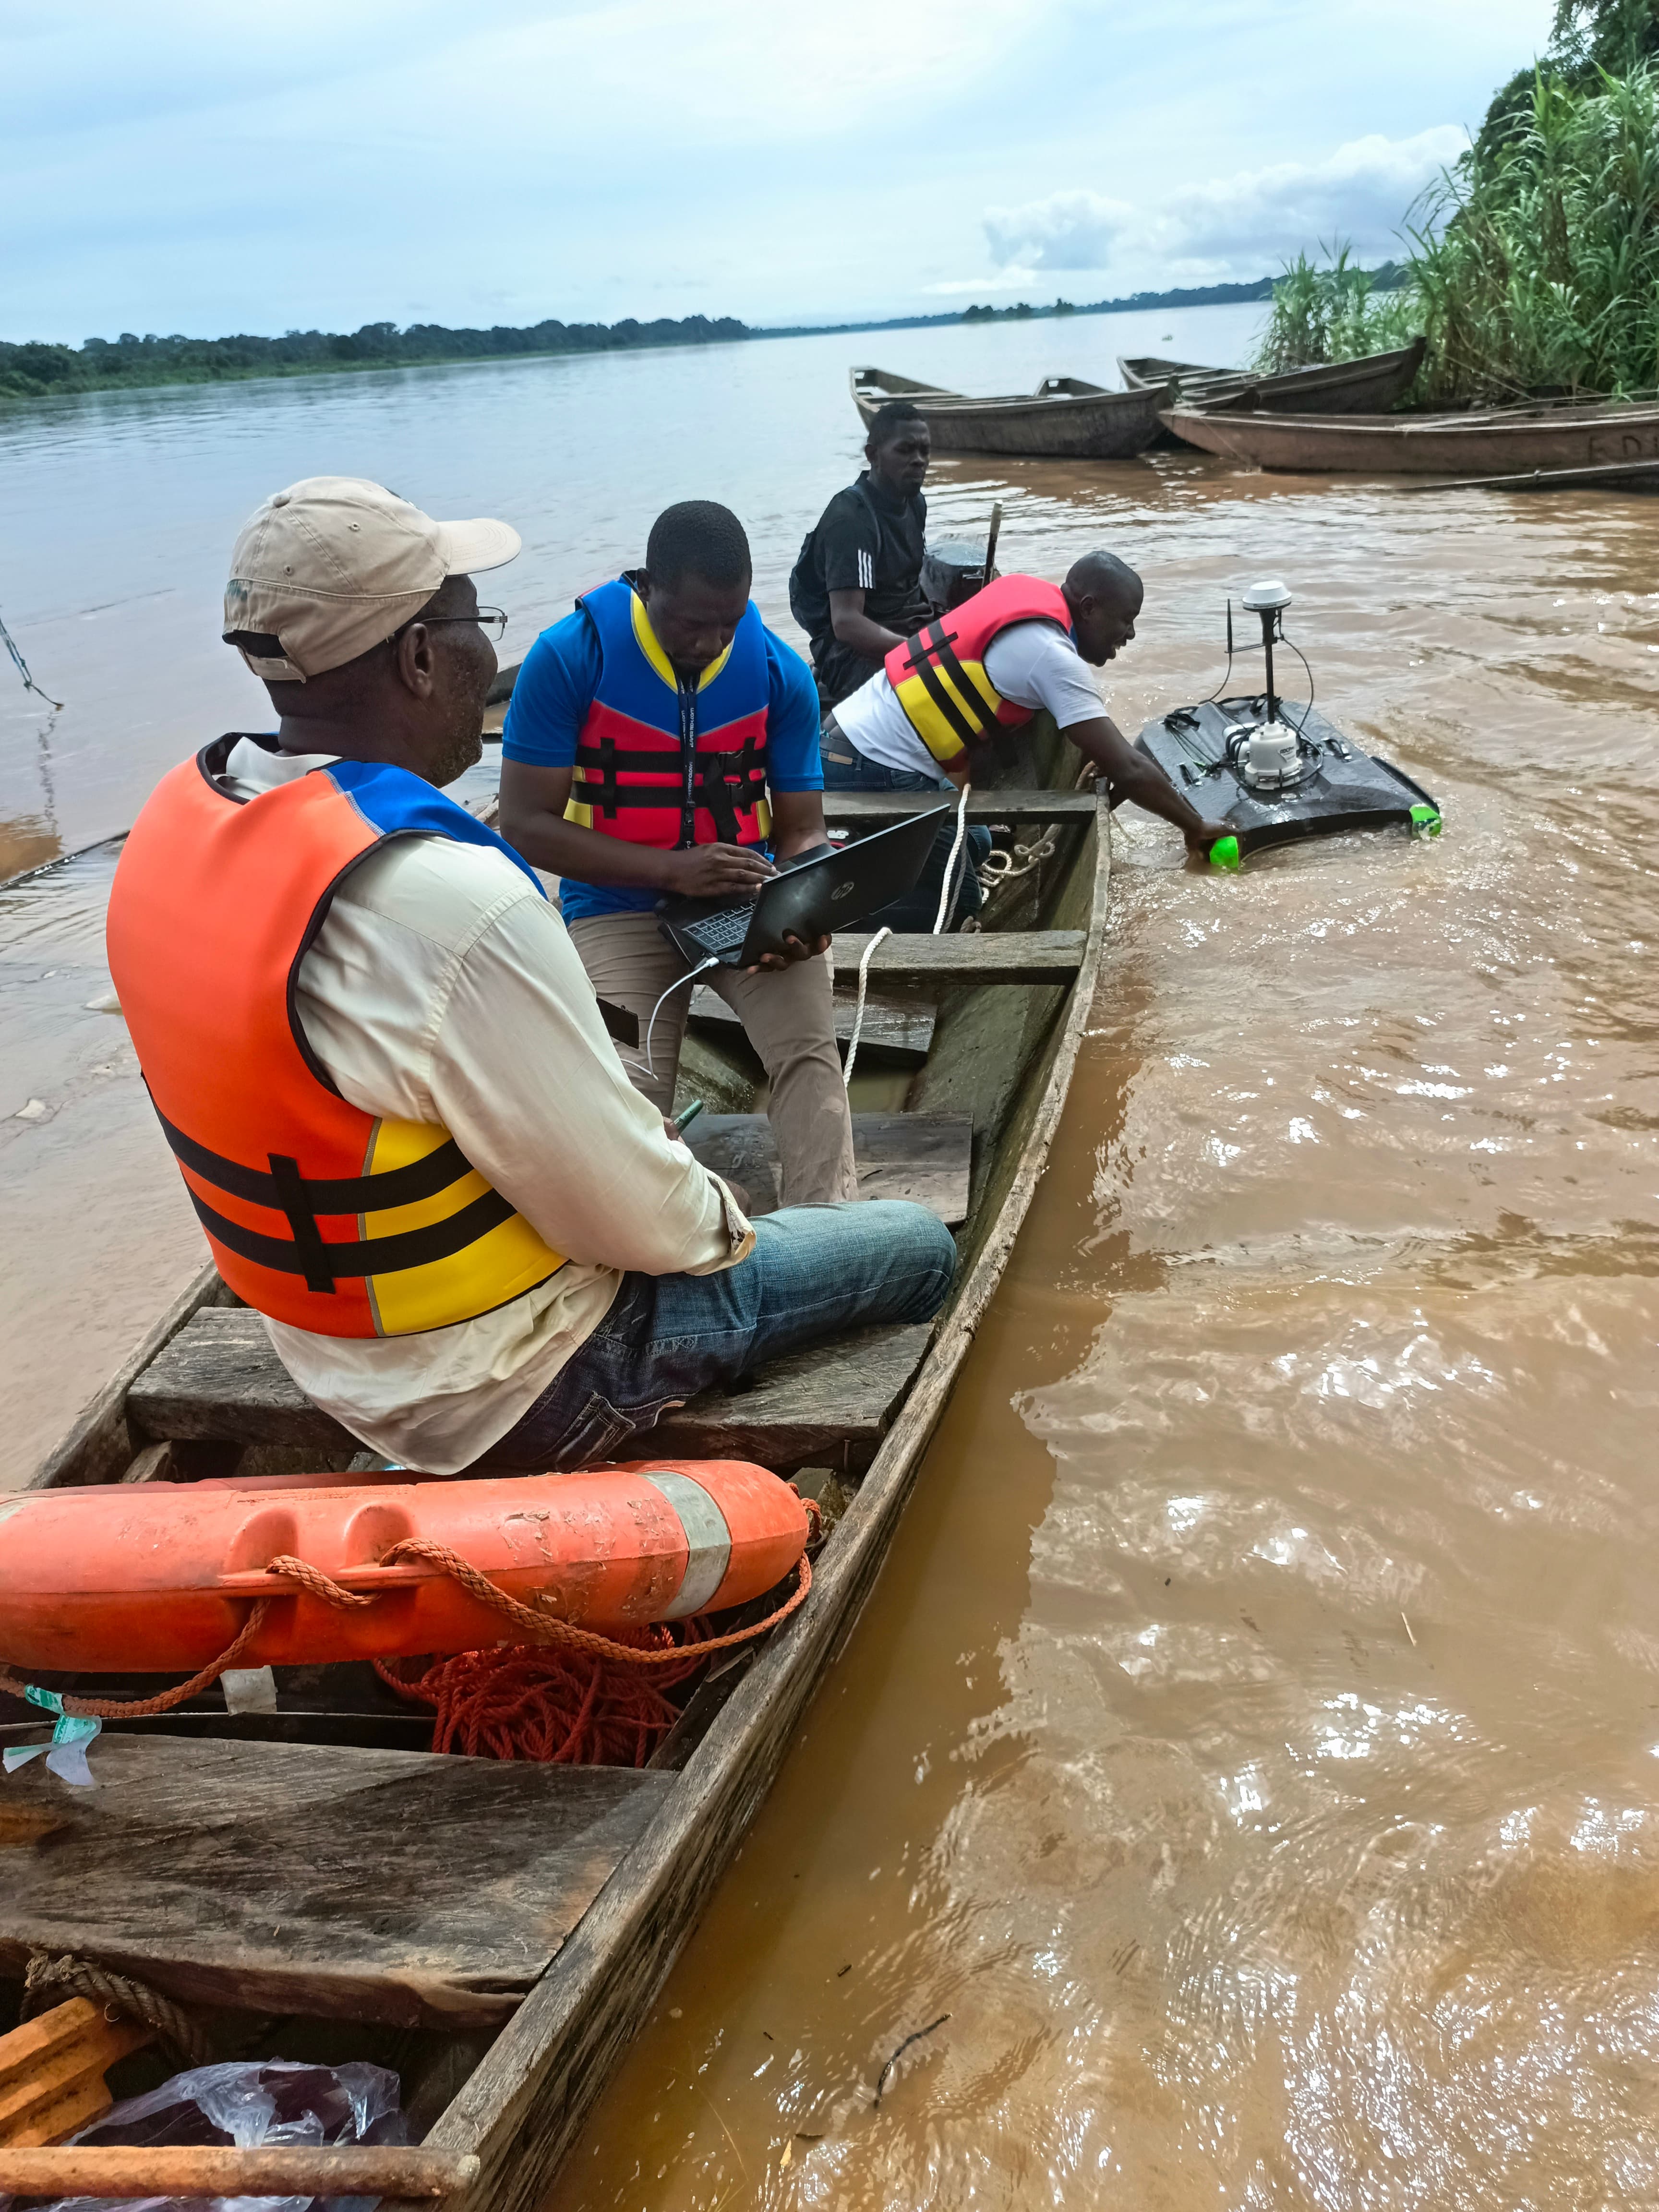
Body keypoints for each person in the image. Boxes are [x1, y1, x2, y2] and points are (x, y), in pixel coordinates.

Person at [104, 476, 957, 1479]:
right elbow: (651, 1231)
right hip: (530, 1378)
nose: (487, 653)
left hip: (323, 1355)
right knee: (917, 1246)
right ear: (422, 657)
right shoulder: (456, 899)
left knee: (775, 1062)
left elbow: (799, 820)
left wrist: (792, 902)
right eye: (476, 622)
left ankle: (795, 1210)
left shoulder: (171, 833)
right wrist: (717, 1215)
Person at [498, 502, 856, 1208]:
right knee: (625, 1091)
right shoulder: (570, 659)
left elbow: (802, 829)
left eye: (729, 623)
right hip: (615, 911)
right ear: (648, 585)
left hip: (746, 907)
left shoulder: (779, 673)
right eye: (692, 623)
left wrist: (801, 895)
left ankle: (827, 1226)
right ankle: (674, 1224)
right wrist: (670, 869)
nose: (711, 641)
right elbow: (525, 825)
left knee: (810, 1052)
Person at [825, 552, 1232, 860]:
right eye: (1126, 619)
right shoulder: (1052, 656)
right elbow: (1128, 766)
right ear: (1088, 608)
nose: (1131, 633)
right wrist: (1195, 825)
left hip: (839, 735)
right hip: (871, 764)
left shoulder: (1022, 591)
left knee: (980, 840)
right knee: (962, 895)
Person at [788, 398, 935, 714]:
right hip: (847, 649)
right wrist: (918, 652)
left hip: (900, 622)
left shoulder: (915, 502)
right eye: (906, 450)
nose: (918, 460)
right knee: (921, 700)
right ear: (873, 456)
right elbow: (846, 623)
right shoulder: (853, 519)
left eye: (925, 451)